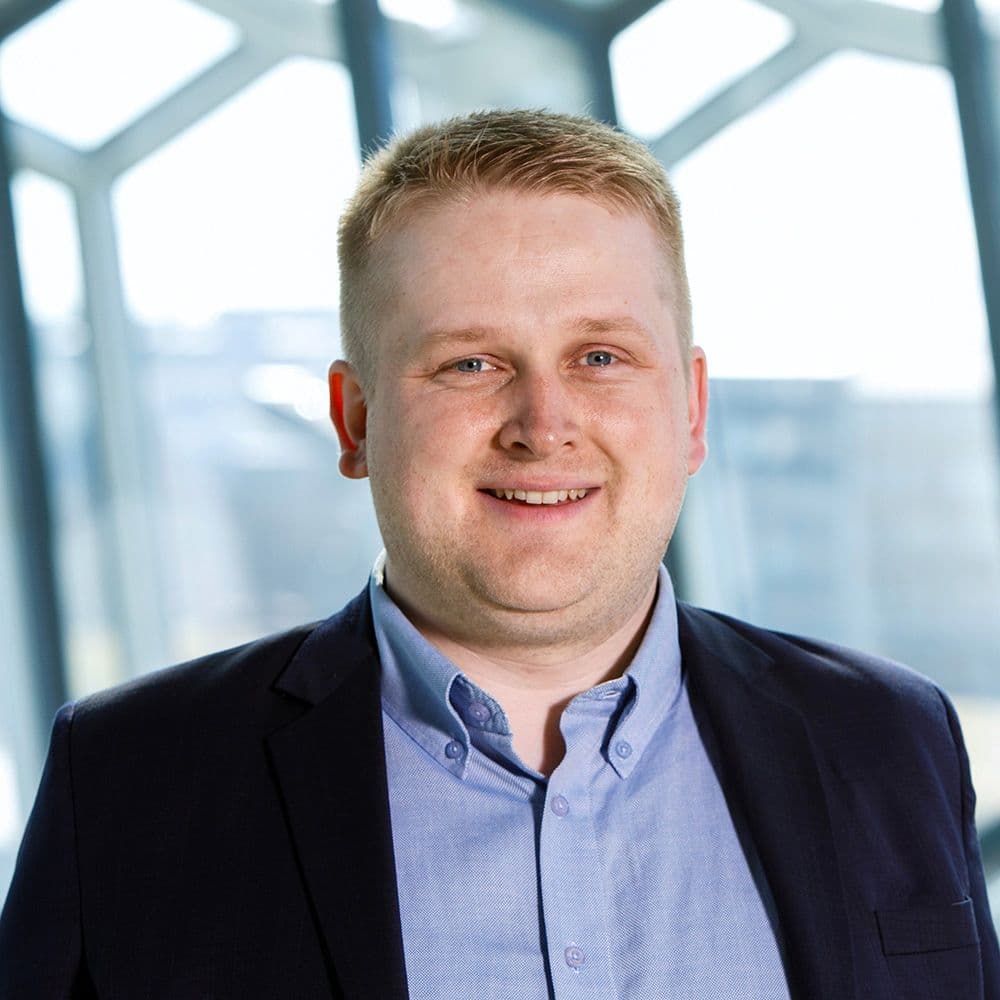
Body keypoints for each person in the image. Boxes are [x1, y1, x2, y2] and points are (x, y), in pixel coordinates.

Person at [1, 109, 997, 1000]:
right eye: (469, 363)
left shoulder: (889, 737)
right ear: (355, 420)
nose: (542, 423)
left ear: (690, 410)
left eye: (599, 356)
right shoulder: (134, 779)